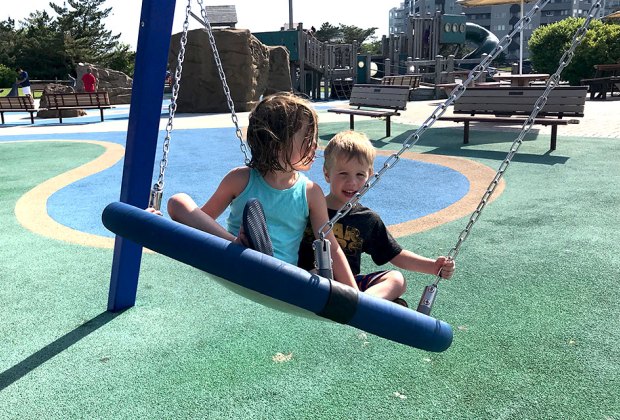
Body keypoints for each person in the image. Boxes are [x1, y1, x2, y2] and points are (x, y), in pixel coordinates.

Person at [162, 93, 358, 289]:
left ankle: (255, 253)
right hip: (234, 259)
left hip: (281, 275)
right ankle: (240, 246)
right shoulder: (241, 179)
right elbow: (202, 219)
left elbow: (329, 244)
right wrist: (155, 222)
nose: (315, 145)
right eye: (307, 138)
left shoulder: (310, 192)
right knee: (178, 201)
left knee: (319, 277)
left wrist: (355, 294)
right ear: (278, 144)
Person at [297, 130, 456, 307]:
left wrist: (433, 266)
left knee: (397, 279)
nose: (352, 183)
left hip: (350, 287)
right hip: (311, 279)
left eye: (360, 175)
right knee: (318, 269)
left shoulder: (367, 219)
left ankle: (362, 306)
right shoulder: (311, 206)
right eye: (343, 174)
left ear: (370, 175)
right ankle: (361, 305)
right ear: (327, 174)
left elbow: (395, 254)